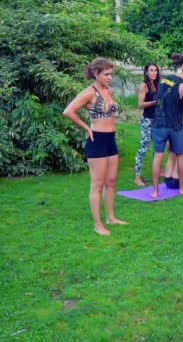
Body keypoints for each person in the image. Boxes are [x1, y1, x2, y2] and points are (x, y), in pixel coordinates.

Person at [63, 58, 127, 236]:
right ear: (96, 74)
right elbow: (68, 111)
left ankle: (111, 217)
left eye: (111, 74)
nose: (109, 77)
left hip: (110, 139)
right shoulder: (88, 92)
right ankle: (97, 225)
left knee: (111, 181)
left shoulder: (108, 90)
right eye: (106, 74)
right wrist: (86, 128)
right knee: (97, 185)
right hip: (96, 139)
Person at [150, 61, 183, 198]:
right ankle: (182, 188)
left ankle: (155, 191)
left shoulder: (164, 78)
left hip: (158, 124)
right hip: (175, 125)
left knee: (157, 156)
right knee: (180, 155)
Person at [134, 63, 160, 187]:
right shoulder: (144, 85)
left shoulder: (158, 85)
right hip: (147, 120)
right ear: (146, 72)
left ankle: (158, 170)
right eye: (151, 70)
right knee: (143, 148)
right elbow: (140, 104)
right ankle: (137, 176)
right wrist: (155, 102)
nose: (154, 72)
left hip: (158, 120)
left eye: (156, 70)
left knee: (158, 147)